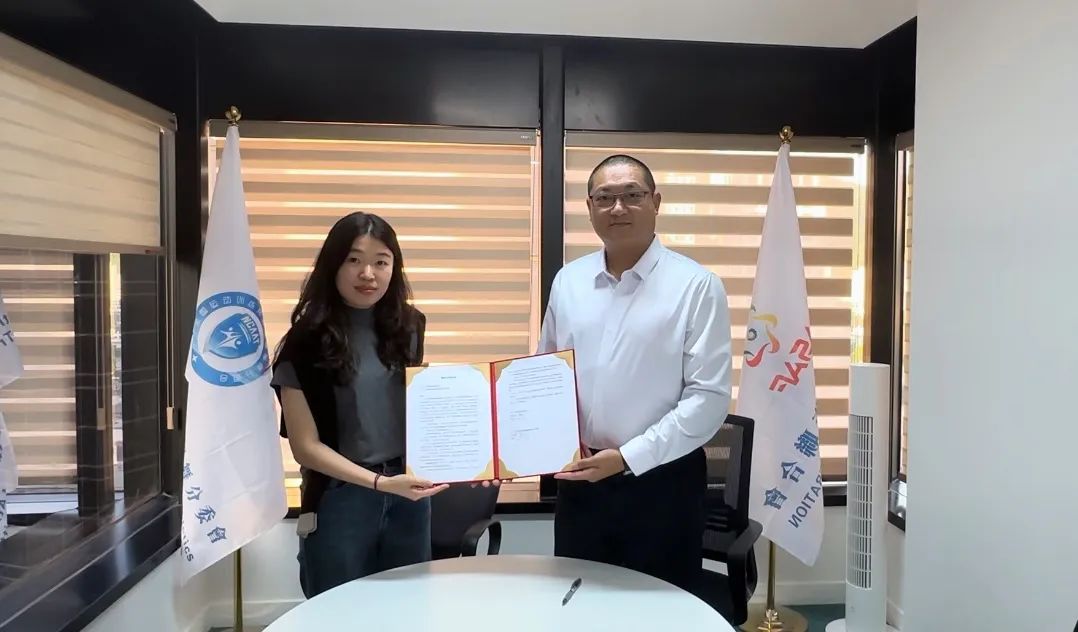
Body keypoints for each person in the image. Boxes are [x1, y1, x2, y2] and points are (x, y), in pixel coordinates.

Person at [538, 154, 733, 593]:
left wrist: (627, 458)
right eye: (604, 198)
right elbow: (545, 375)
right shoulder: (569, 282)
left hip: (662, 483)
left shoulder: (696, 286)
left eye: (632, 195)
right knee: (577, 599)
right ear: (589, 207)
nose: (618, 208)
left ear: (656, 202)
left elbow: (708, 399)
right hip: (581, 480)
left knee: (658, 606)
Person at [271, 211, 447, 598]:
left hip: (408, 495)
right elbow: (305, 447)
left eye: (381, 262)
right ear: (333, 264)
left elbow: (414, 413)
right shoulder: (305, 342)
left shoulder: (410, 327)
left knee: (407, 610)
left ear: (394, 269)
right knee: (339, 612)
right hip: (340, 499)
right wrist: (379, 483)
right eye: (354, 260)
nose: (368, 274)